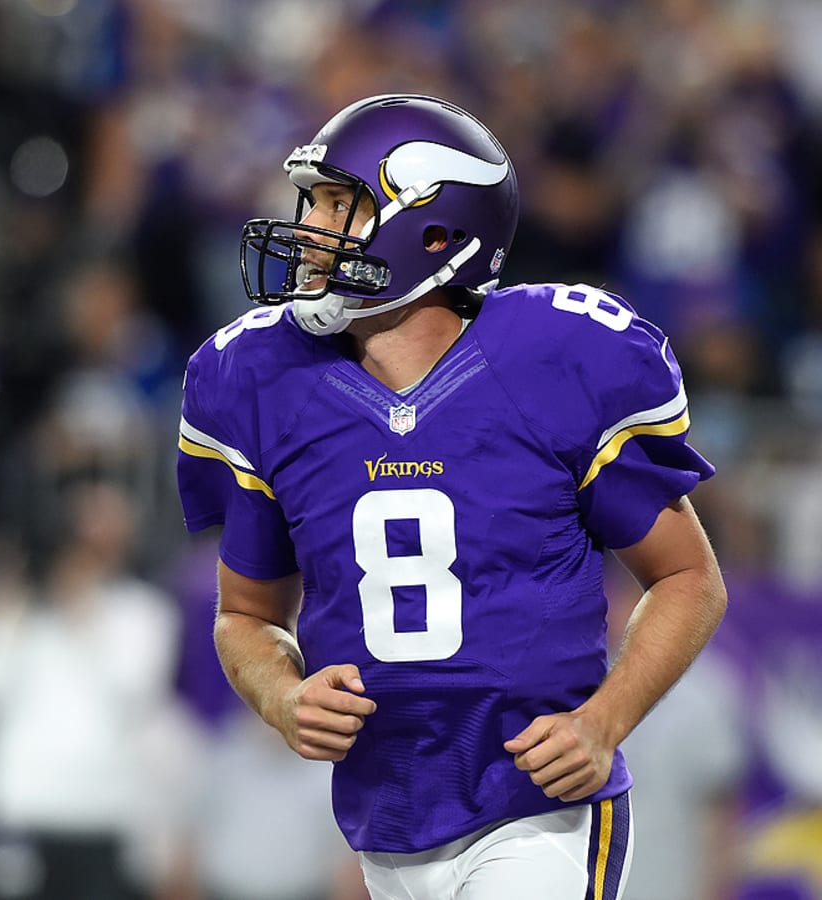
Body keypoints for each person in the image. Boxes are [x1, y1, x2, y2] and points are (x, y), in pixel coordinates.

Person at [175, 94, 728, 900]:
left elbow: (688, 578)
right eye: (315, 203)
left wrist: (603, 722)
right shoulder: (263, 377)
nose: (310, 229)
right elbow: (246, 615)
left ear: (434, 229)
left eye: (341, 205)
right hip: (383, 823)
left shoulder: (557, 357)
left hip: (535, 807)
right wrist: (283, 695)